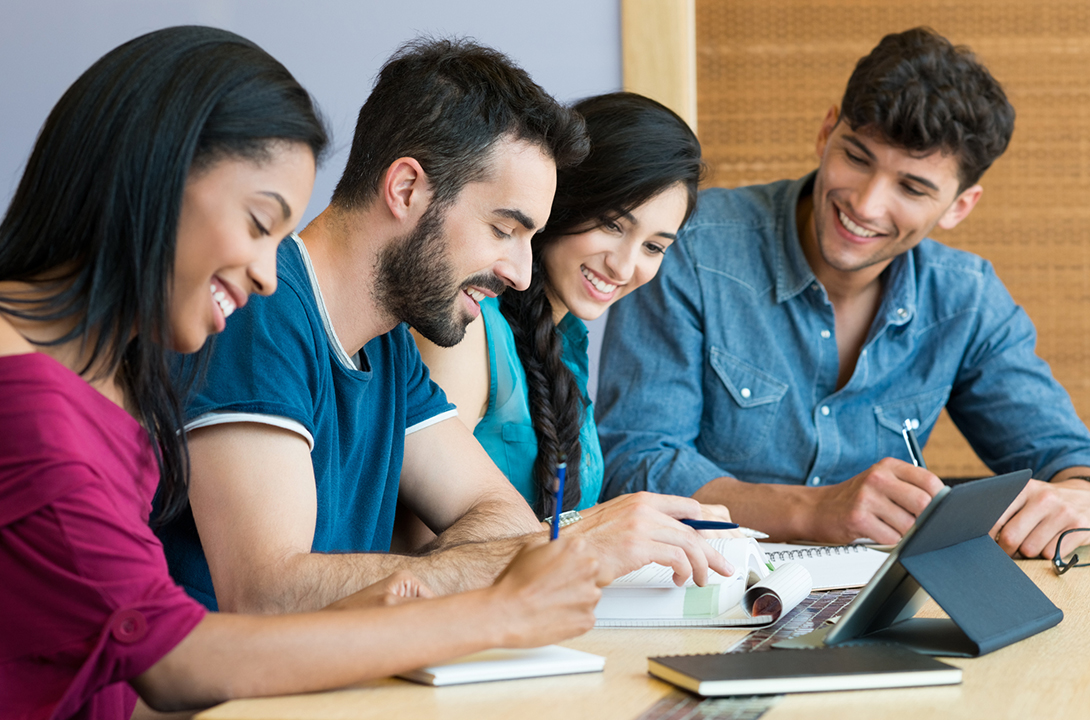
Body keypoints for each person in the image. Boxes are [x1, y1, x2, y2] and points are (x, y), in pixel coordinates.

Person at [0, 26, 605, 719]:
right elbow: (175, 661)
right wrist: (495, 610)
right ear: (157, 184)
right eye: (260, 223)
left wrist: (408, 601)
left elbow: (112, 669)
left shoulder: (114, 385)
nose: (265, 272)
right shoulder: (31, 404)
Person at [156, 38, 732, 615]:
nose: (523, 274)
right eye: (504, 230)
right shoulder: (261, 305)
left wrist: (531, 548)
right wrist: (576, 541)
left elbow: (499, 516)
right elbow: (266, 592)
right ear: (406, 189)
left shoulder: (388, 346)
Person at [597, 27, 1090, 559]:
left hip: (878, 602)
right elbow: (635, 462)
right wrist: (816, 510)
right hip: (702, 586)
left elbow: (1067, 457)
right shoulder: (689, 247)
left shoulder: (967, 298)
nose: (867, 204)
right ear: (827, 131)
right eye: (857, 157)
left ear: (959, 207)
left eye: (912, 187)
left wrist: (1074, 498)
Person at [412, 92, 707, 518]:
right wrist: (604, 529)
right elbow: (417, 549)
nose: (625, 266)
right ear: (562, 200)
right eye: (612, 224)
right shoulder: (466, 328)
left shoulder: (567, 343)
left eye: (653, 247)